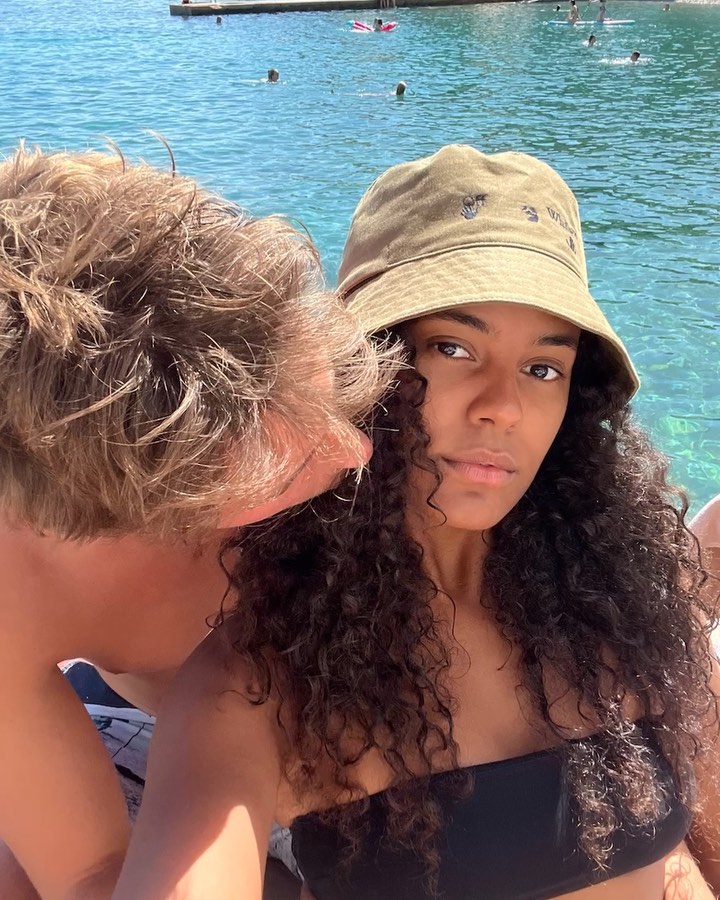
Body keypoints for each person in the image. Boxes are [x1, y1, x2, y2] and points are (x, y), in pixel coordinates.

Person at [112, 145, 720, 900]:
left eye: (543, 367)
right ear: (364, 367)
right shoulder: (262, 682)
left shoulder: (632, 605)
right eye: (453, 348)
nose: (503, 406)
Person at [0, 144, 394, 900]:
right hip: (194, 766)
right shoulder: (13, 597)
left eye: (329, 397)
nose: (356, 450)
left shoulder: (264, 357)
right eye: (286, 462)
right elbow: (87, 870)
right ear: (160, 505)